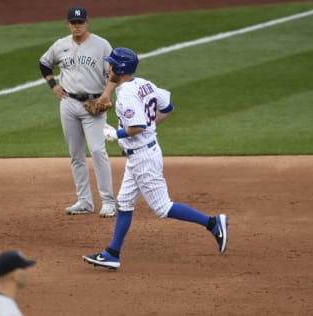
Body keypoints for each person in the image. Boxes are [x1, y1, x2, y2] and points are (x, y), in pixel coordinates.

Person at [82, 48, 229, 270]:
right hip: (142, 154)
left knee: (162, 207)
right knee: (124, 203)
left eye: (111, 64)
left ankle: (213, 223)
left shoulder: (127, 95)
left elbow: (137, 127)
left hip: (143, 157)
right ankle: (112, 253)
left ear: (119, 69)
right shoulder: (144, 84)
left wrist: (116, 134)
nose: (108, 68)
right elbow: (167, 107)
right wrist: (150, 127)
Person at [39, 6, 116, 218]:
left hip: (94, 105)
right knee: (76, 155)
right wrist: (53, 85)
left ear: (87, 23)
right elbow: (44, 64)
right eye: (73, 23)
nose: (77, 26)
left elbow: (115, 72)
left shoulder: (101, 45)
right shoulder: (60, 45)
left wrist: (106, 95)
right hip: (69, 103)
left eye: (80, 22)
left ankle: (108, 201)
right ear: (68, 24)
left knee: (98, 152)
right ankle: (85, 201)